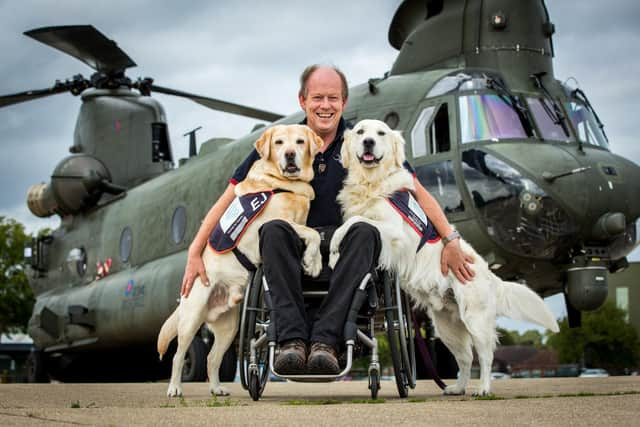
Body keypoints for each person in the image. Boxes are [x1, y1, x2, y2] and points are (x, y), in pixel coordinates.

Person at [180, 64, 474, 374]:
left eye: (333, 98)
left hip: (347, 245)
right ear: (302, 101)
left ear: (344, 103)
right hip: (294, 242)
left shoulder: (361, 140)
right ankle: (291, 341)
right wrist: (195, 251)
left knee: (365, 231)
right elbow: (229, 198)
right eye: (317, 97)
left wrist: (450, 240)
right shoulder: (283, 141)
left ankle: (326, 342)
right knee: (272, 230)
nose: (325, 105)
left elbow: (416, 190)